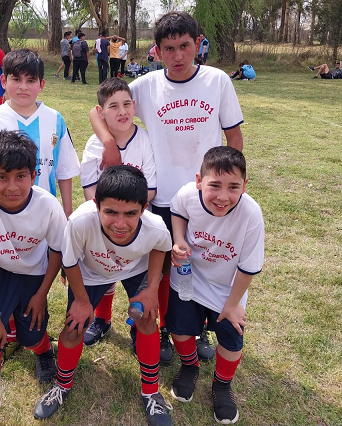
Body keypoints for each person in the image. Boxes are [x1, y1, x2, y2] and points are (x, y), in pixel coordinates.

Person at [89, 11, 244, 365]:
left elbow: (233, 136)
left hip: (205, 199)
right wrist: (108, 143)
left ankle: (196, 329)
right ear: (156, 51)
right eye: (169, 49)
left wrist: (229, 186)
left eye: (185, 46)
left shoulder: (218, 81)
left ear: (198, 44)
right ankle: (160, 329)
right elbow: (98, 111)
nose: (177, 56)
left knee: (198, 264)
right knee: (159, 270)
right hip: (159, 196)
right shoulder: (145, 86)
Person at [33, 165, 174, 426]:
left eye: (130, 213)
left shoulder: (155, 226)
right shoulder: (80, 221)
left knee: (146, 320)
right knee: (74, 327)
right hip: (91, 273)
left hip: (134, 268)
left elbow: (160, 248)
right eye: (110, 212)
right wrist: (82, 301)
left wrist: (151, 290)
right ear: (96, 205)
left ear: (144, 209)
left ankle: (151, 391)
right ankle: (61, 385)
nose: (120, 224)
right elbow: (70, 261)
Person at [0, 130, 67, 426]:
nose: (12, 186)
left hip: (34, 272)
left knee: (31, 334)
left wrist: (41, 294)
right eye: (2, 177)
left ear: (34, 175)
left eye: (21, 176)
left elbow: (57, 250)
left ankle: (44, 350)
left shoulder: (48, 204)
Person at [167, 146, 264, 425]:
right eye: (215, 185)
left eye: (233, 187)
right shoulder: (187, 194)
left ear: (245, 185)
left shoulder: (251, 214)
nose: (223, 196)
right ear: (199, 181)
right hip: (189, 277)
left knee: (232, 338)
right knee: (180, 329)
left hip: (228, 289)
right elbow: (177, 210)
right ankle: (190, 366)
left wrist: (233, 304)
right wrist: (179, 239)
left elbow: (248, 266)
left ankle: (222, 385)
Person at [79, 77, 157, 346]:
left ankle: (138, 327)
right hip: (105, 224)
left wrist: (129, 215)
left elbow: (151, 189)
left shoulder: (144, 139)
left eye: (126, 104)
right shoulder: (94, 144)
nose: (122, 112)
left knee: (138, 278)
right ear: (101, 112)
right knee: (105, 268)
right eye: (113, 106)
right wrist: (110, 218)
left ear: (134, 105)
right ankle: (102, 319)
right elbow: (90, 191)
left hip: (137, 226)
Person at [0, 48, 80, 219]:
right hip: (1, 218)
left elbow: (64, 171)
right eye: (16, 79)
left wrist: (67, 212)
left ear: (41, 85)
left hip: (45, 216)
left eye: (31, 80)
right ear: (3, 81)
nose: (23, 87)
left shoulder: (55, 120)